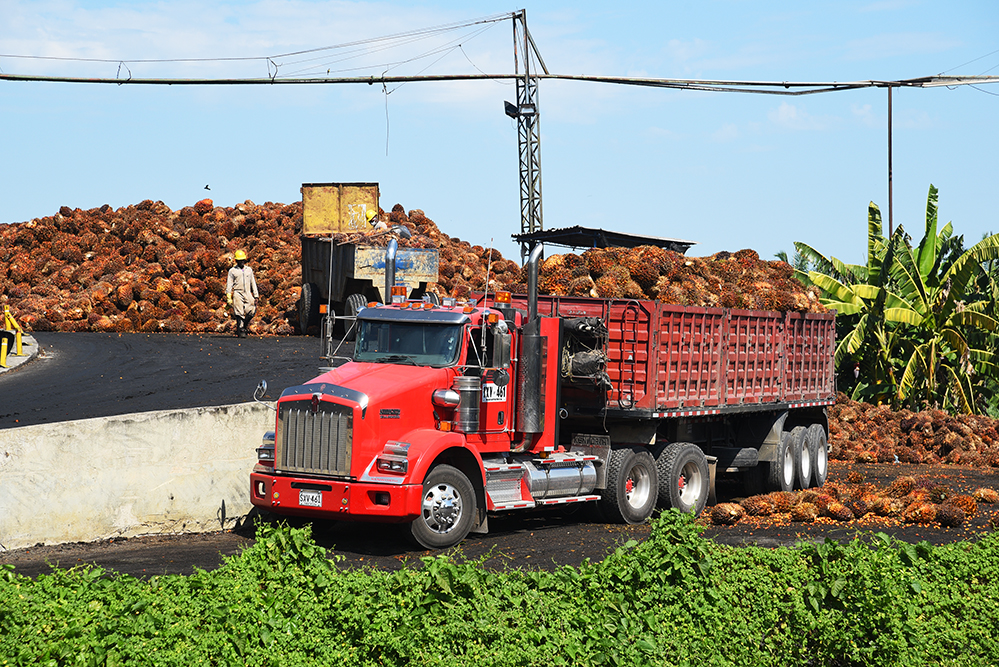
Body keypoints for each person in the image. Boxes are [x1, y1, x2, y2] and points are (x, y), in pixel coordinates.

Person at [226, 249, 258, 338]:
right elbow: (229, 284)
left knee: (251, 310)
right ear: (236, 261)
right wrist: (229, 295)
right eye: (239, 261)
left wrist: (256, 296)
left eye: (243, 260)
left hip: (247, 292)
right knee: (239, 312)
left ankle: (243, 325)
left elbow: (253, 283)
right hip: (237, 292)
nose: (241, 262)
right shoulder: (232, 271)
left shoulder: (249, 270)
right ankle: (240, 329)